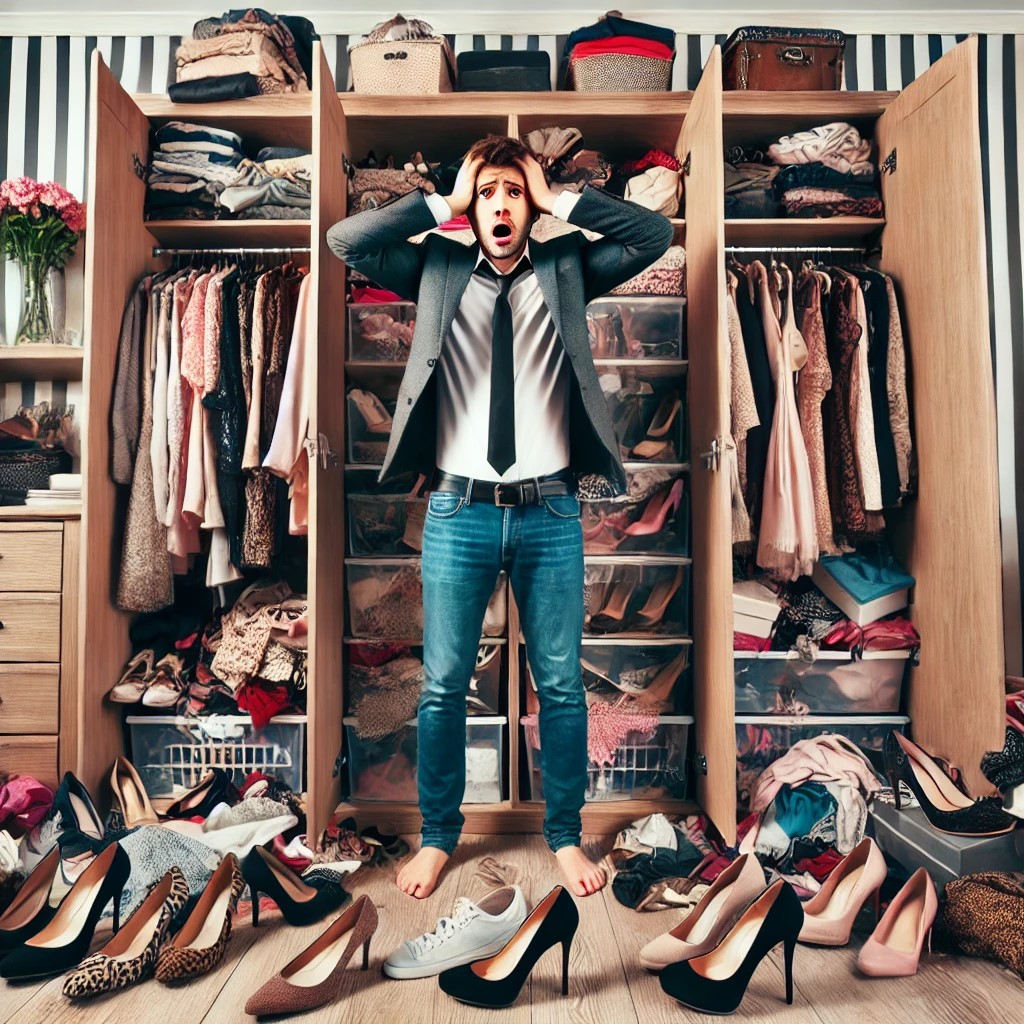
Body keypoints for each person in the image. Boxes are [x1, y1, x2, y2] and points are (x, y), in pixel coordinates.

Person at [328, 135, 673, 899]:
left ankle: (564, 837)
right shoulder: (439, 269)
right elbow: (345, 240)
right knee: (444, 684)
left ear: (531, 203)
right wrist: (442, 205)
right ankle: (439, 836)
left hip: (552, 509)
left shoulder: (568, 266)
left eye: (513, 193)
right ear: (473, 207)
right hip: (459, 509)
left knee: (558, 684)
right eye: (489, 194)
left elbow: (656, 235)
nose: (501, 206)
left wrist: (558, 202)